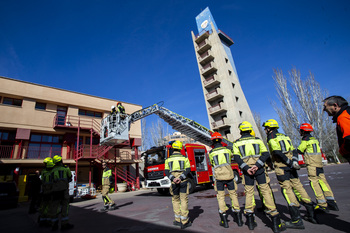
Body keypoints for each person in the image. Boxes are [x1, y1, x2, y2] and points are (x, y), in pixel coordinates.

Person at [263, 119, 317, 229]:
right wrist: (294, 162)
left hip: (282, 167)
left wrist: (287, 162)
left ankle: (296, 220)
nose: (264, 130)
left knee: (287, 190)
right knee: (298, 187)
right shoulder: (284, 136)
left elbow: (276, 152)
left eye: (265, 128)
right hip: (291, 166)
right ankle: (311, 215)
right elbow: (294, 151)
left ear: (269, 128)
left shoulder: (271, 137)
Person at [232, 122, 286, 233]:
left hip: (247, 172)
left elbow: (237, 158)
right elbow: (265, 154)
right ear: (250, 129)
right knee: (265, 191)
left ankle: (250, 221)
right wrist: (257, 166)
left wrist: (247, 168)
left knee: (249, 192)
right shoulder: (258, 140)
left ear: (241, 131)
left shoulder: (236, 143)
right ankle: (275, 222)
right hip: (260, 170)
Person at [297, 123, 339, 212]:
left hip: (312, 165)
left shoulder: (305, 140)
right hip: (319, 164)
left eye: (300, 130)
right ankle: (331, 201)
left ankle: (322, 204)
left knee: (314, 183)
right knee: (323, 182)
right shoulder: (314, 139)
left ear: (303, 131)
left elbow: (300, 150)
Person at [208, 132, 242, 228]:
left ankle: (224, 221)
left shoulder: (211, 153)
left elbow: (211, 163)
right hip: (230, 176)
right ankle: (239, 220)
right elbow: (231, 158)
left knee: (221, 197)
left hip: (219, 178)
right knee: (233, 195)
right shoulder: (227, 150)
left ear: (213, 141)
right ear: (221, 140)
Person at [164, 140, 192, 229]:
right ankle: (185, 221)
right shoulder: (185, 158)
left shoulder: (168, 159)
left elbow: (166, 171)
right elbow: (188, 169)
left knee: (175, 200)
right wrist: (181, 178)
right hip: (183, 181)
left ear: (172, 148)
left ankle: (177, 220)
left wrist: (174, 178)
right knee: (183, 200)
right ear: (180, 148)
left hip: (173, 183)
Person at [323, 95, 350, 163]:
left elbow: (349, 138)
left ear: (335, 105)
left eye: (325, 106)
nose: (324, 109)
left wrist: (343, 151)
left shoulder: (343, 117)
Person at [50, 155, 74, 231]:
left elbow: (50, 181)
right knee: (65, 207)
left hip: (55, 192)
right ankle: (64, 224)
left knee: (55, 208)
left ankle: (54, 225)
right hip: (64, 191)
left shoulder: (52, 171)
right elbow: (70, 178)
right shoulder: (66, 169)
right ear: (61, 161)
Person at [38, 158, 54, 227]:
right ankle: (48, 219)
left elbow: (41, 181)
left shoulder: (43, 172)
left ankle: (42, 219)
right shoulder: (53, 171)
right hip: (50, 191)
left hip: (45, 192)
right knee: (50, 206)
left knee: (44, 206)